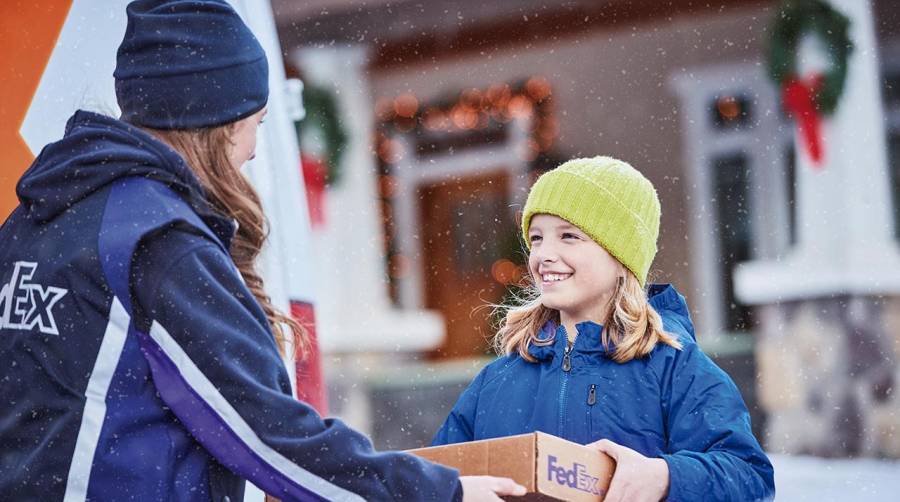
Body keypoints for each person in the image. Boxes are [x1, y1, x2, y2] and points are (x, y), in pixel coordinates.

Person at [0, 1, 525, 501]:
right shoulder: (158, 241)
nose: (253, 148)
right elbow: (268, 432)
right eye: (258, 123)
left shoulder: (35, 220)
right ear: (220, 120)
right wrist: (440, 491)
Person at [431, 156, 776, 501]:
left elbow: (750, 477)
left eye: (569, 236)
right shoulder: (497, 381)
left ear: (621, 258)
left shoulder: (674, 367)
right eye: (536, 238)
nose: (544, 254)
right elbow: (432, 478)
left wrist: (666, 477)